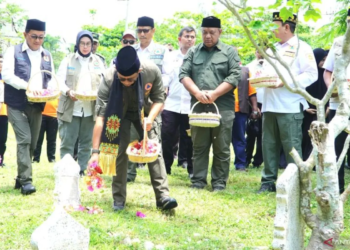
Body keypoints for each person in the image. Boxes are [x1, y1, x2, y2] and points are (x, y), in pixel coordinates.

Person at [89, 46, 178, 211]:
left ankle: (163, 197)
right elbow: (100, 118)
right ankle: (118, 199)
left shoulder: (151, 71)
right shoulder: (108, 78)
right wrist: (95, 152)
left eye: (130, 79)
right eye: (122, 79)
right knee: (119, 151)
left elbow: (159, 99)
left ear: (140, 70)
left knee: (153, 149)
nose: (126, 83)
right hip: (118, 116)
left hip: (145, 112)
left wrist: (150, 119)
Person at [257, 12, 318, 193]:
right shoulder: (271, 49)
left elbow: (311, 74)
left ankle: (293, 182)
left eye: (275, 25)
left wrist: (286, 81)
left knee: (291, 145)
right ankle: (268, 181)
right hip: (269, 105)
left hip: (289, 106)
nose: (271, 29)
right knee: (268, 144)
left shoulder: (302, 47)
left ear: (286, 26)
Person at [179, 16, 241, 191]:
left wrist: (215, 93)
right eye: (204, 32)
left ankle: (219, 182)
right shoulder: (193, 52)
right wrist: (197, 93)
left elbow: (235, 76)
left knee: (221, 146)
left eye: (212, 33)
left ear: (219, 32)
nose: (207, 36)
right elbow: (183, 74)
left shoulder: (229, 52)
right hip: (198, 106)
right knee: (199, 145)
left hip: (223, 107)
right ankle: (198, 180)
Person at [2, 19, 54, 195]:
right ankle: (26, 181)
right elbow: (7, 75)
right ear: (25, 34)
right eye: (34, 37)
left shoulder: (46, 55)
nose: (37, 41)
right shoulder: (13, 51)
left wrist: (51, 90)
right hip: (16, 103)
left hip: (37, 105)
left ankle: (19, 177)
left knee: (32, 143)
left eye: (41, 37)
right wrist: (29, 86)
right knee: (24, 140)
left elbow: (50, 77)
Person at [127, 16, 173, 182]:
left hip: (153, 99)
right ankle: (129, 174)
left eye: (146, 30)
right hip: (132, 100)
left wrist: (156, 88)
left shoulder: (162, 52)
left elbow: (168, 75)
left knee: (153, 136)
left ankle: (157, 178)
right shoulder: (132, 50)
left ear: (153, 31)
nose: (142, 34)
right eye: (139, 30)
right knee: (131, 136)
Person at [56, 30, 104, 175]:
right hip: (71, 107)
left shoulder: (98, 61)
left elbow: (103, 82)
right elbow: (59, 80)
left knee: (86, 142)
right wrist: (68, 91)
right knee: (68, 141)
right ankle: (66, 169)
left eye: (88, 44)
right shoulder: (68, 60)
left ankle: (83, 169)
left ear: (92, 45)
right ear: (77, 44)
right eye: (82, 43)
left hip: (90, 108)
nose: (85, 47)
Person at [161, 26, 196, 177]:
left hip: (190, 104)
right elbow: (166, 76)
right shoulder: (170, 56)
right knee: (167, 135)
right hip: (172, 103)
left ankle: (191, 169)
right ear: (179, 39)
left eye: (192, 37)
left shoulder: (198, 56)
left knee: (190, 137)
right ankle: (165, 167)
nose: (189, 39)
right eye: (187, 36)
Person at [323, 8, 350, 194]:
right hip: (338, 104)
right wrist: (332, 89)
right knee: (337, 147)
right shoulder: (339, 43)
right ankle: (337, 188)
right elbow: (328, 72)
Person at [302, 48, 328, 161]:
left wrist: (327, 109)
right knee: (305, 135)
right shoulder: (309, 75)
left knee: (320, 136)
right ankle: (304, 158)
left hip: (323, 111)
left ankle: (316, 161)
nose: (324, 63)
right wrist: (305, 108)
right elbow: (301, 92)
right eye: (322, 60)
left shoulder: (327, 75)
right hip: (307, 111)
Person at [232, 66, 259, 171]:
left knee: (240, 138)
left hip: (240, 110)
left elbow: (252, 92)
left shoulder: (245, 71)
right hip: (223, 109)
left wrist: (255, 109)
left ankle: (240, 164)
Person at [246, 50, 264, 168]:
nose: (261, 53)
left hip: (268, 103)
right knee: (251, 133)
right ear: (255, 52)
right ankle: (246, 158)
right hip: (253, 102)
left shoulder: (273, 65)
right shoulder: (249, 67)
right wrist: (254, 107)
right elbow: (247, 88)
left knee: (263, 135)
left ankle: (258, 160)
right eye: (259, 50)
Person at [0, 54, 8, 167]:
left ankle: (1, 160)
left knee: (2, 139)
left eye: (2, 61)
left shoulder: (7, 79)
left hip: (3, 113)